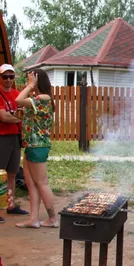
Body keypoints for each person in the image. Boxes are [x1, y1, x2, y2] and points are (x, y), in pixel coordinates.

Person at [15, 69, 58, 228]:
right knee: (31, 183)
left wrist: (29, 85)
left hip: (37, 146)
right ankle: (33, 219)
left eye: (31, 79)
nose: (29, 82)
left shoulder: (43, 98)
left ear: (37, 81)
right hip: (31, 145)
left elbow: (18, 99)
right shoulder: (39, 99)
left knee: (41, 183)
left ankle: (53, 219)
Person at [0, 64, 29, 224]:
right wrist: (19, 117)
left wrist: (17, 117)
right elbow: (3, 117)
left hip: (15, 138)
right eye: (5, 77)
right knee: (0, 174)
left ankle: (11, 205)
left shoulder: (17, 95)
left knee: (12, 172)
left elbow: (22, 114)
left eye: (11, 77)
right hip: (2, 137)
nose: (8, 80)